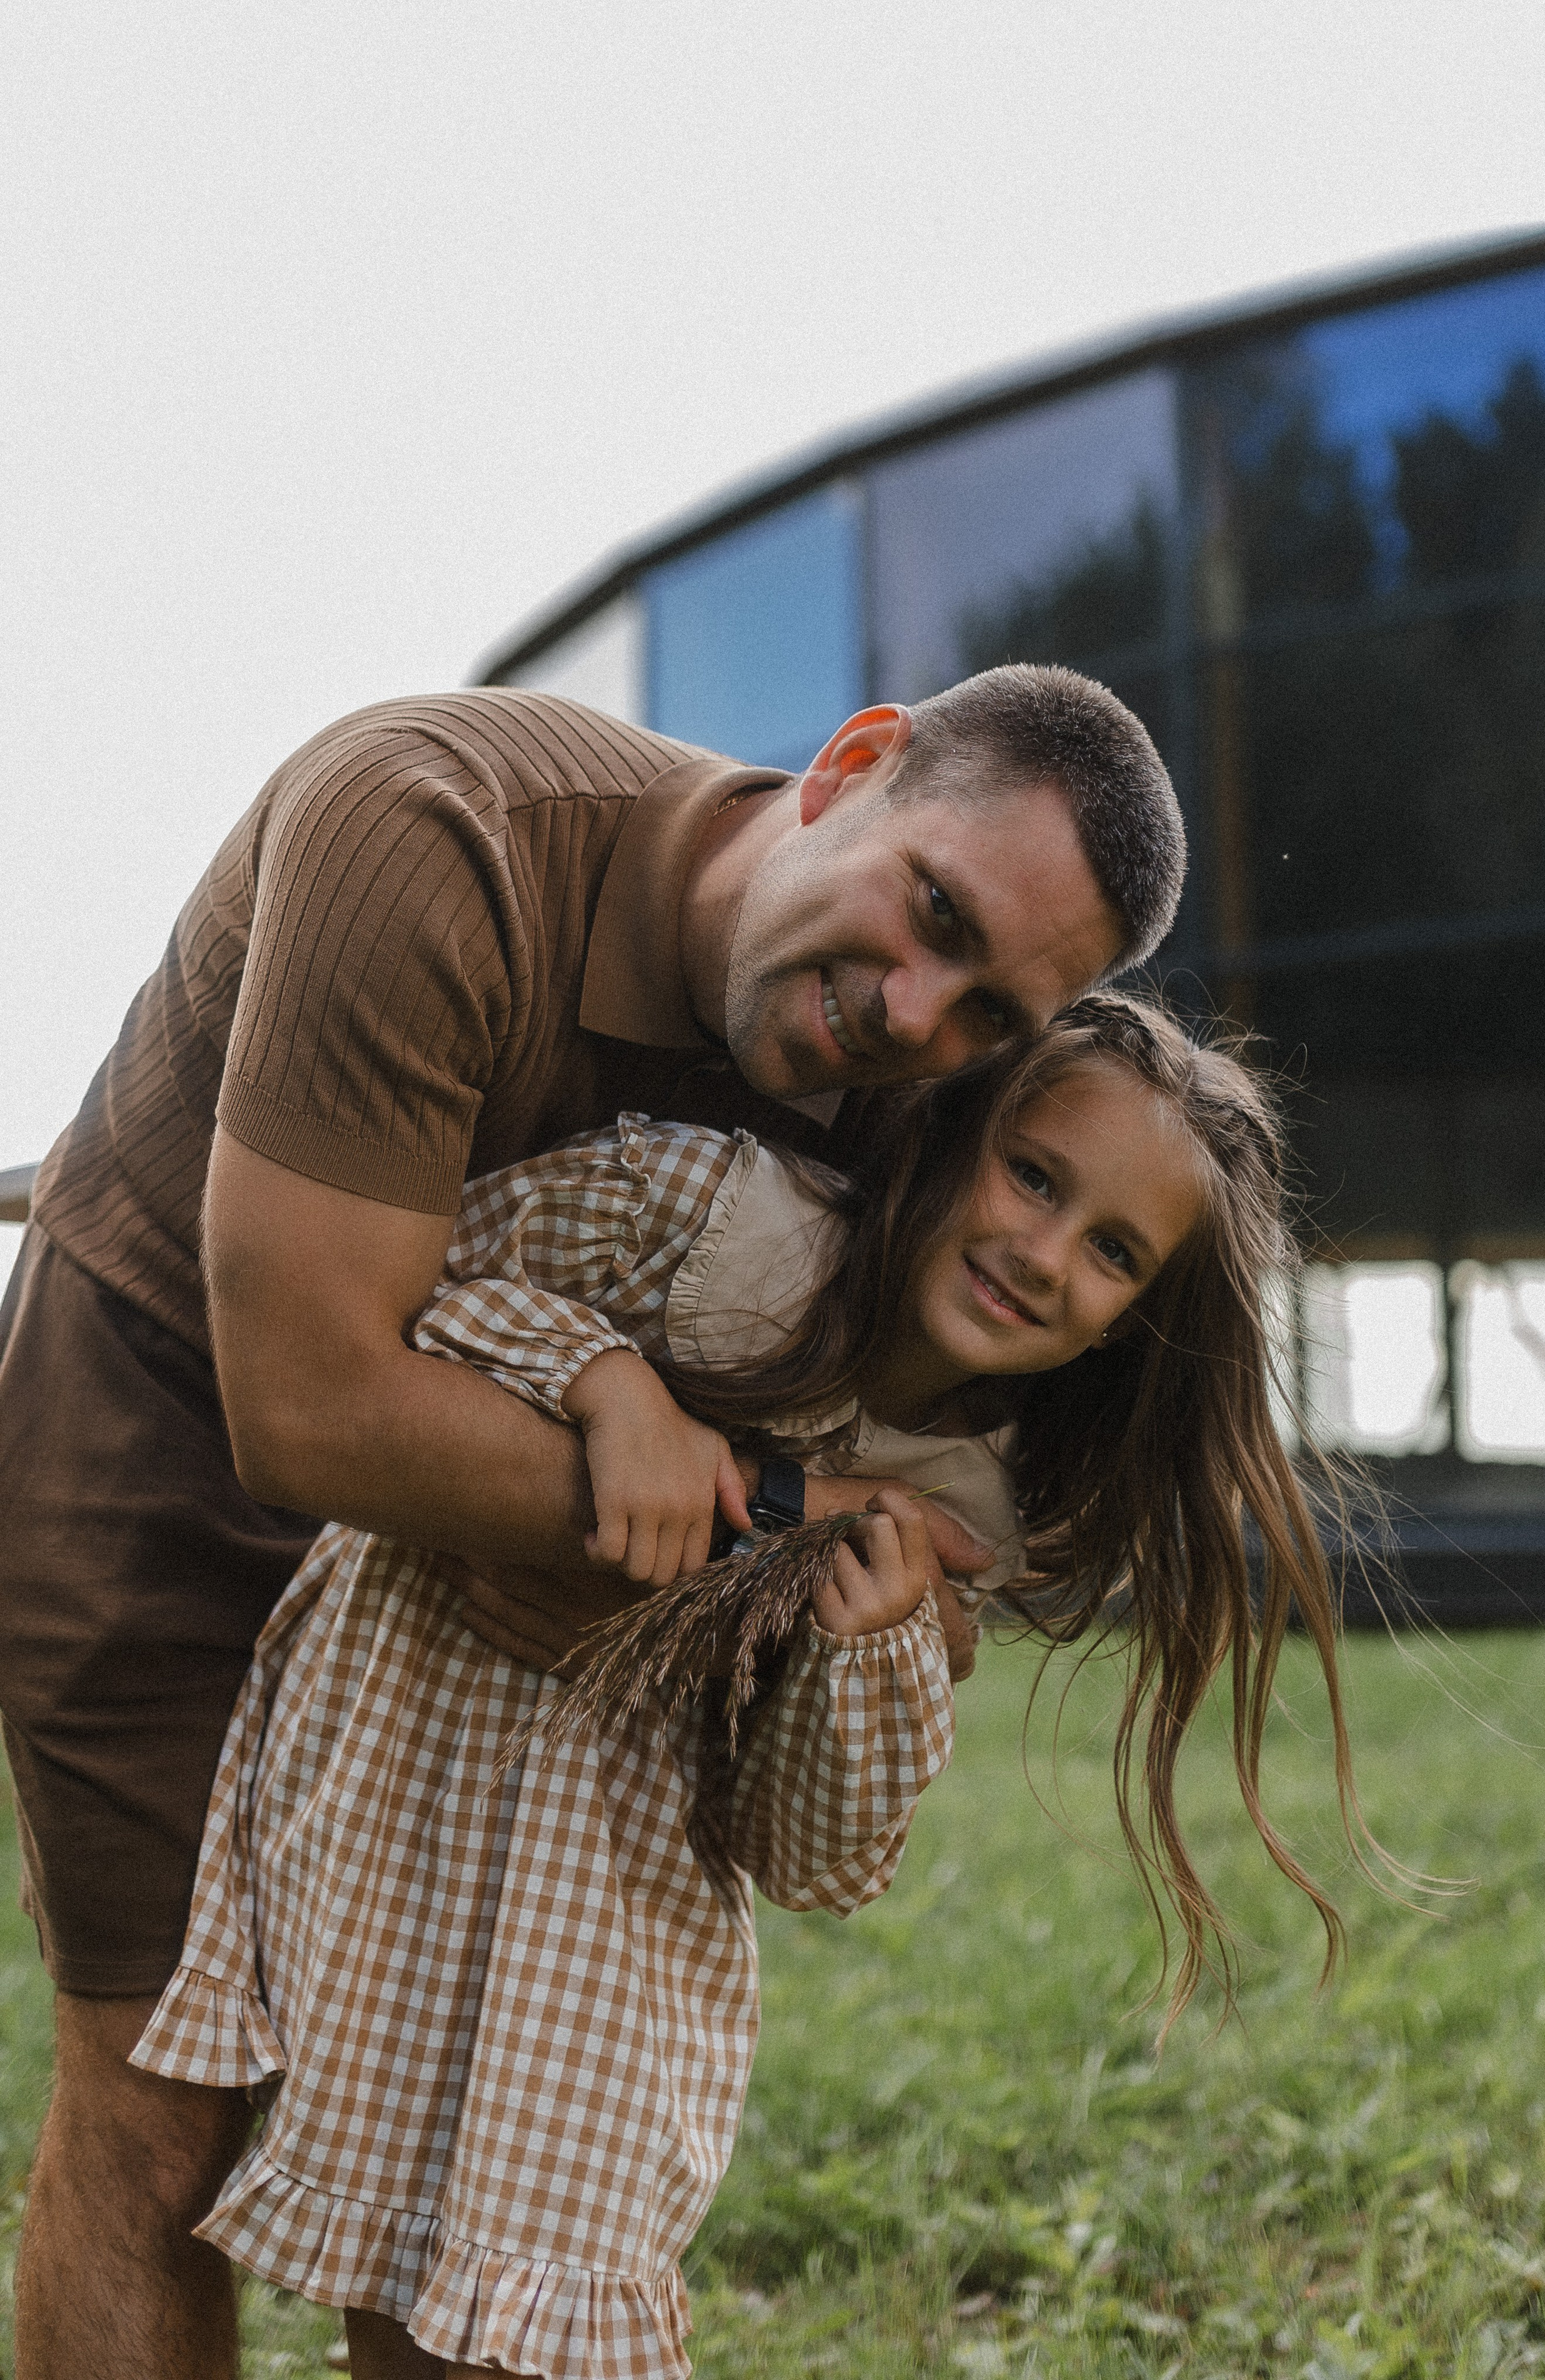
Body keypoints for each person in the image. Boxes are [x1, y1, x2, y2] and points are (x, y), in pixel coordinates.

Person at [0, 665, 1186, 2378]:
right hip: (172, 1411)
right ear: (852, 764)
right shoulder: (427, 829)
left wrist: (816, 1565)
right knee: (161, 2109)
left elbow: (916, 1496)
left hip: (516, 1593)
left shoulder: (926, 1085)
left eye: (993, 1010)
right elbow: (311, 1403)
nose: (916, 1015)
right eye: (933, 911)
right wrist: (775, 1513)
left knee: (458, 2168)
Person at [132, 994, 1358, 2380]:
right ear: (956, 1130)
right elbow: (396, 1303)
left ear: (1126, 1327)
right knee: (384, 2278)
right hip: (396, 1789)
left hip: (604, 1917)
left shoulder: (965, 1512)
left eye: (1113, 1252)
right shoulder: (714, 1223)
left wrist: (861, 1656)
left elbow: (810, 1858)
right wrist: (604, 1380)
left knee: (512, 2317)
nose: (1042, 1252)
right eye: (1033, 1177)